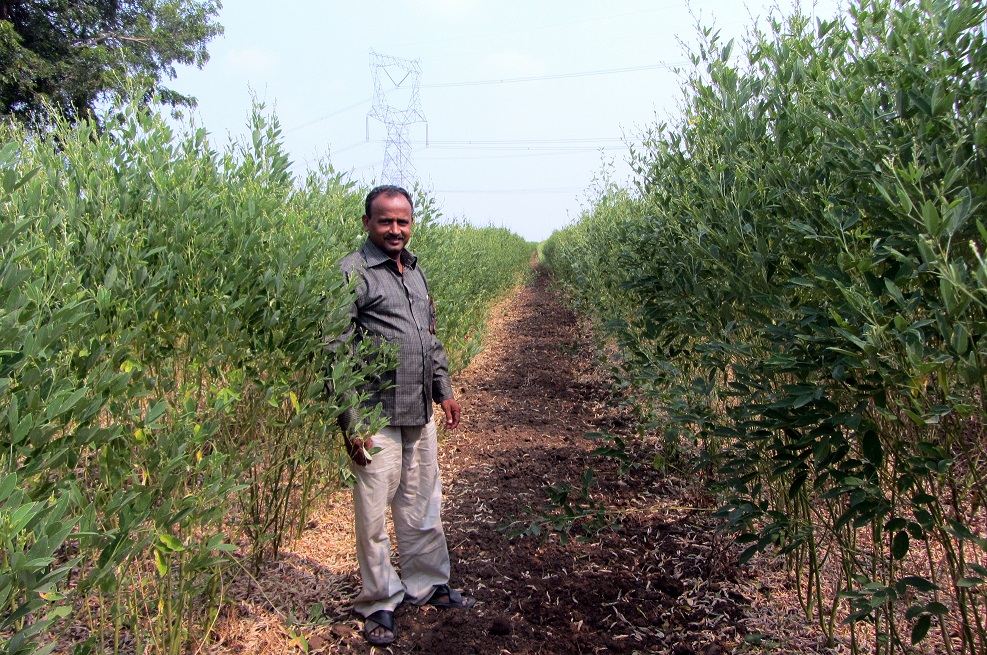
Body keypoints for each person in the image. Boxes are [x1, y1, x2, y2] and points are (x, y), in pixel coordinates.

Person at [333, 185, 475, 646]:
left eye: (403, 221)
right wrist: (351, 424)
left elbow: (429, 338)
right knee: (373, 516)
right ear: (367, 223)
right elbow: (332, 354)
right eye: (385, 221)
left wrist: (444, 390)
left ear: (411, 223)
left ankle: (428, 582)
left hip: (418, 411)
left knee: (422, 505)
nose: (396, 230)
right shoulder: (352, 273)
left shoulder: (415, 270)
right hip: (374, 417)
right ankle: (379, 601)